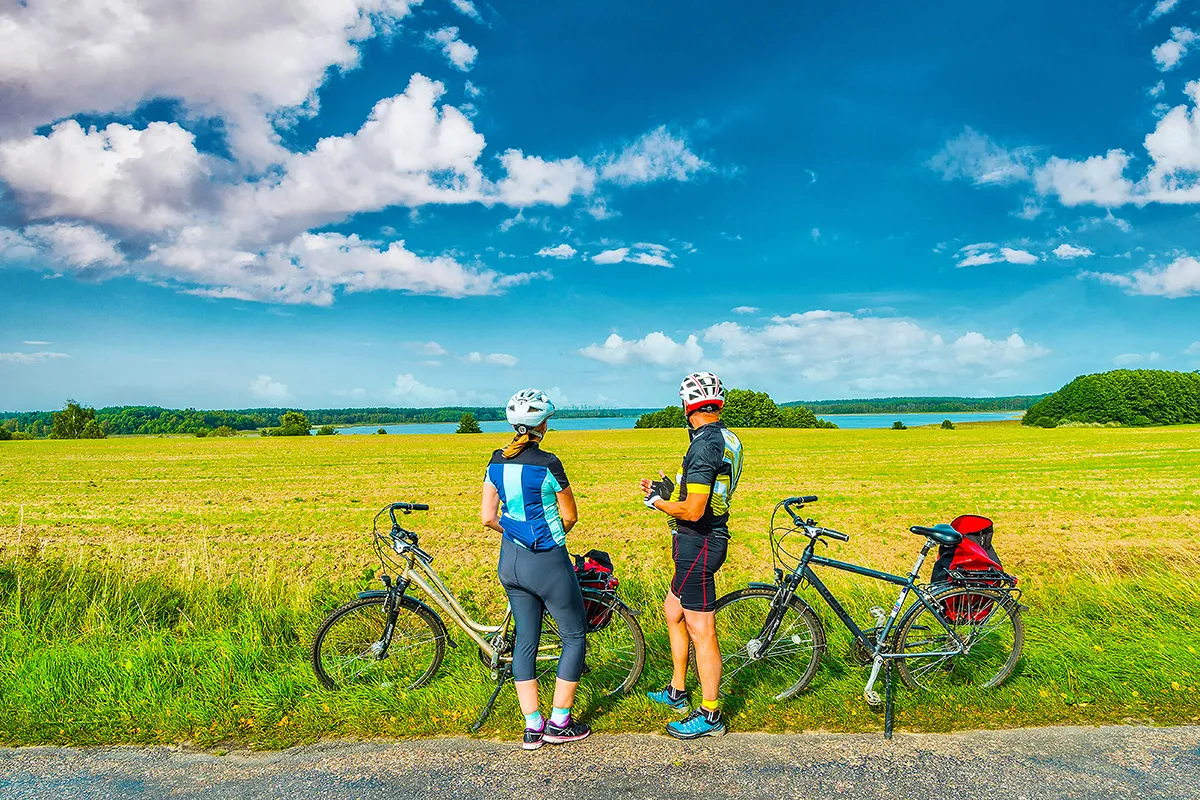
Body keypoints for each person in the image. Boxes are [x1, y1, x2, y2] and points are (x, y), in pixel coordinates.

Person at [481, 388, 591, 750]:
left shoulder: (495, 460)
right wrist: (547, 538)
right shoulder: (548, 463)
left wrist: (515, 532)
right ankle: (560, 722)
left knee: (525, 642)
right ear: (542, 424)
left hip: (509, 562)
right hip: (547, 561)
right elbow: (570, 515)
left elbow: (487, 518)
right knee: (574, 636)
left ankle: (532, 727)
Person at [640, 372, 744, 739]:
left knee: (703, 630)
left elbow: (696, 510)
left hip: (699, 542)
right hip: (700, 541)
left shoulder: (702, 445)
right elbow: (706, 491)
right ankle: (677, 692)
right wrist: (671, 490)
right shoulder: (725, 437)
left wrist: (658, 502)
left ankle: (711, 714)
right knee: (673, 611)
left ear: (687, 406)